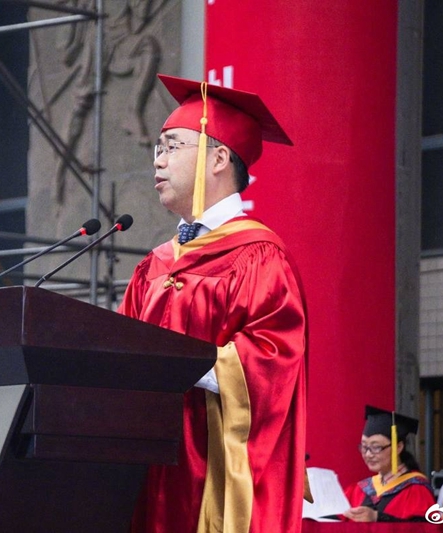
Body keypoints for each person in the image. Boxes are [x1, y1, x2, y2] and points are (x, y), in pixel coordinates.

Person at [118, 74, 307, 533]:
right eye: (158, 148)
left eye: (172, 146)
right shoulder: (153, 266)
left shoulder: (259, 256)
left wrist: (176, 362)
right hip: (150, 468)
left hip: (213, 471)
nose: (158, 160)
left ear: (219, 158)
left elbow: (273, 358)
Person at [342, 406, 435, 522]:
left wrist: (378, 518)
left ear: (398, 447)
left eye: (376, 447)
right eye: (364, 447)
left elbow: (423, 528)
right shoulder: (359, 490)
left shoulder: (416, 489)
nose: (368, 454)